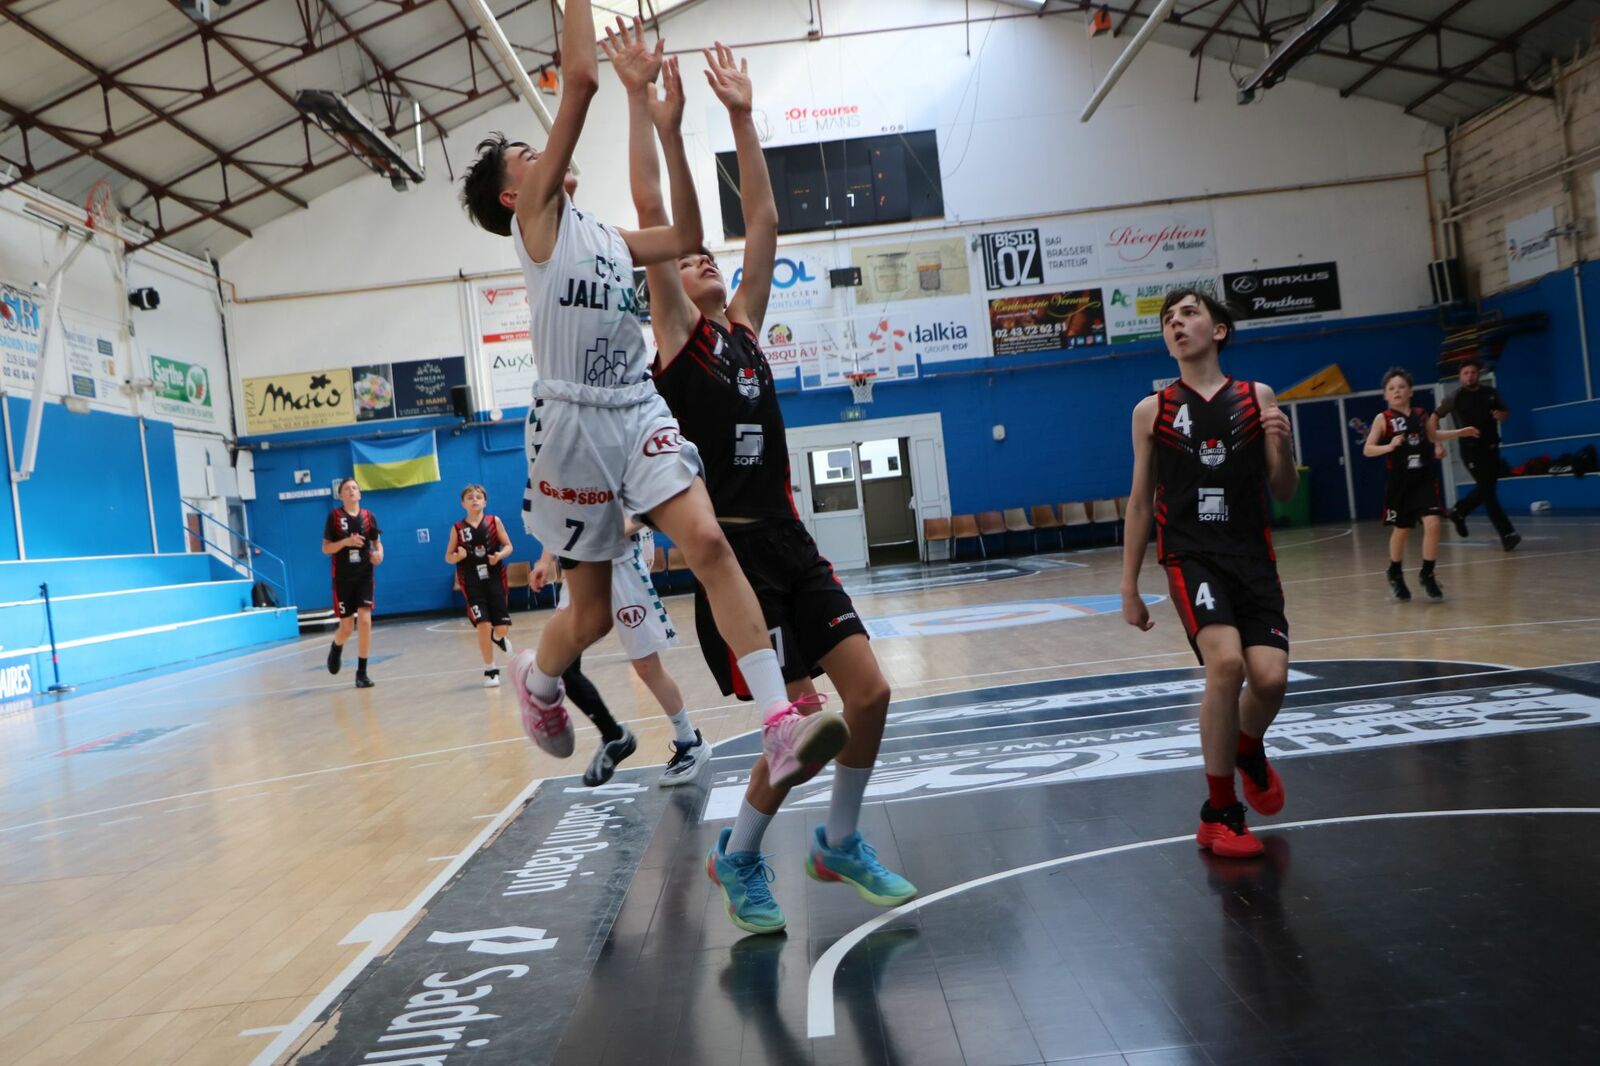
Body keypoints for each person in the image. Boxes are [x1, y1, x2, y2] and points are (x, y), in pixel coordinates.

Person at [457, 0, 836, 779]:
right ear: (511, 196)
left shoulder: (603, 236)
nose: (540, 153)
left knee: (708, 543)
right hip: (569, 425)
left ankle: (777, 723)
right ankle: (538, 678)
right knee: (592, 615)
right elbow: (580, 80)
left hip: (634, 407)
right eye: (526, 154)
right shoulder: (537, 224)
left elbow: (684, 234)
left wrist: (660, 119)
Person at [612, 24, 912, 933]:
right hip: (732, 561)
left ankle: (839, 842)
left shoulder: (744, 327)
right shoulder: (677, 335)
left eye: (710, 256)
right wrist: (656, 117)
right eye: (690, 259)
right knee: (805, 722)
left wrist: (742, 118)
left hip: (791, 538)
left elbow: (768, 224)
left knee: (871, 695)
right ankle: (738, 856)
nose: (703, 260)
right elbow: (655, 211)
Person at [1120, 290, 1298, 859]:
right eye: (1168, 319)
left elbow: (1284, 491)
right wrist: (1129, 584)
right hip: (1190, 555)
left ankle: (1247, 747)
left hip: (1252, 557)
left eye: (1189, 313)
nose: (1176, 323)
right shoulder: (1152, 411)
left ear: (1218, 330)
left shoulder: (1256, 396)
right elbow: (1141, 502)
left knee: (1270, 679)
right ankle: (1220, 812)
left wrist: (1282, 445)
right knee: (1226, 665)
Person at [532, 520, 713, 787]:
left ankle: (690, 741)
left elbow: (641, 515)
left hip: (622, 567)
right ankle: (614, 736)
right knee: (562, 665)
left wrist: (601, 533)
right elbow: (558, 518)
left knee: (646, 666)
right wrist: (544, 560)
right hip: (579, 572)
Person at [1362, 368, 1479, 601]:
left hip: (1423, 479)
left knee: (1433, 524)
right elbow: (1368, 449)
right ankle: (1395, 573)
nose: (1397, 391)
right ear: (1385, 395)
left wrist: (1460, 432)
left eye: (1401, 387)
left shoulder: (1421, 414)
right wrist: (1389, 446)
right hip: (1400, 483)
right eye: (1391, 388)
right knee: (1402, 530)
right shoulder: (1383, 419)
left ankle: (1427, 574)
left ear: (1410, 391)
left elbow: (1433, 436)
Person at [1438, 358, 1520, 551]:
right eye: (1465, 373)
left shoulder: (1490, 393)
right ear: (1460, 376)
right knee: (1488, 493)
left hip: (1491, 448)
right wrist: (1437, 443)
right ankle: (1507, 534)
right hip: (1470, 450)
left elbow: (1505, 412)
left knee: (1487, 489)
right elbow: (1435, 416)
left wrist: (1501, 415)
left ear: (1478, 374)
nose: (1469, 376)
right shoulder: (1454, 397)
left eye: (1473, 372)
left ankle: (1459, 511)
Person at [444, 484, 514, 687]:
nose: (474, 499)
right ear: (462, 503)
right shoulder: (458, 528)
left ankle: (498, 638)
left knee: (501, 628)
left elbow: (509, 546)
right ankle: (490, 670)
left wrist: (499, 555)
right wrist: (457, 556)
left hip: (495, 578)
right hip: (471, 581)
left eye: (478, 496)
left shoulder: (494, 521)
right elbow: (448, 557)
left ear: (485, 501)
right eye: (470, 497)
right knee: (483, 624)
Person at [322, 477, 383, 688]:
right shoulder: (334, 517)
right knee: (347, 627)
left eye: (355, 488)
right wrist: (346, 542)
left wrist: (379, 554)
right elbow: (326, 548)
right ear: (341, 495)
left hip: (364, 575)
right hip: (342, 578)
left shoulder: (369, 516)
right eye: (347, 488)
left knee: (365, 621)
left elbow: (377, 544)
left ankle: (362, 672)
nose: (351, 491)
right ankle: (336, 647)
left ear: (360, 493)